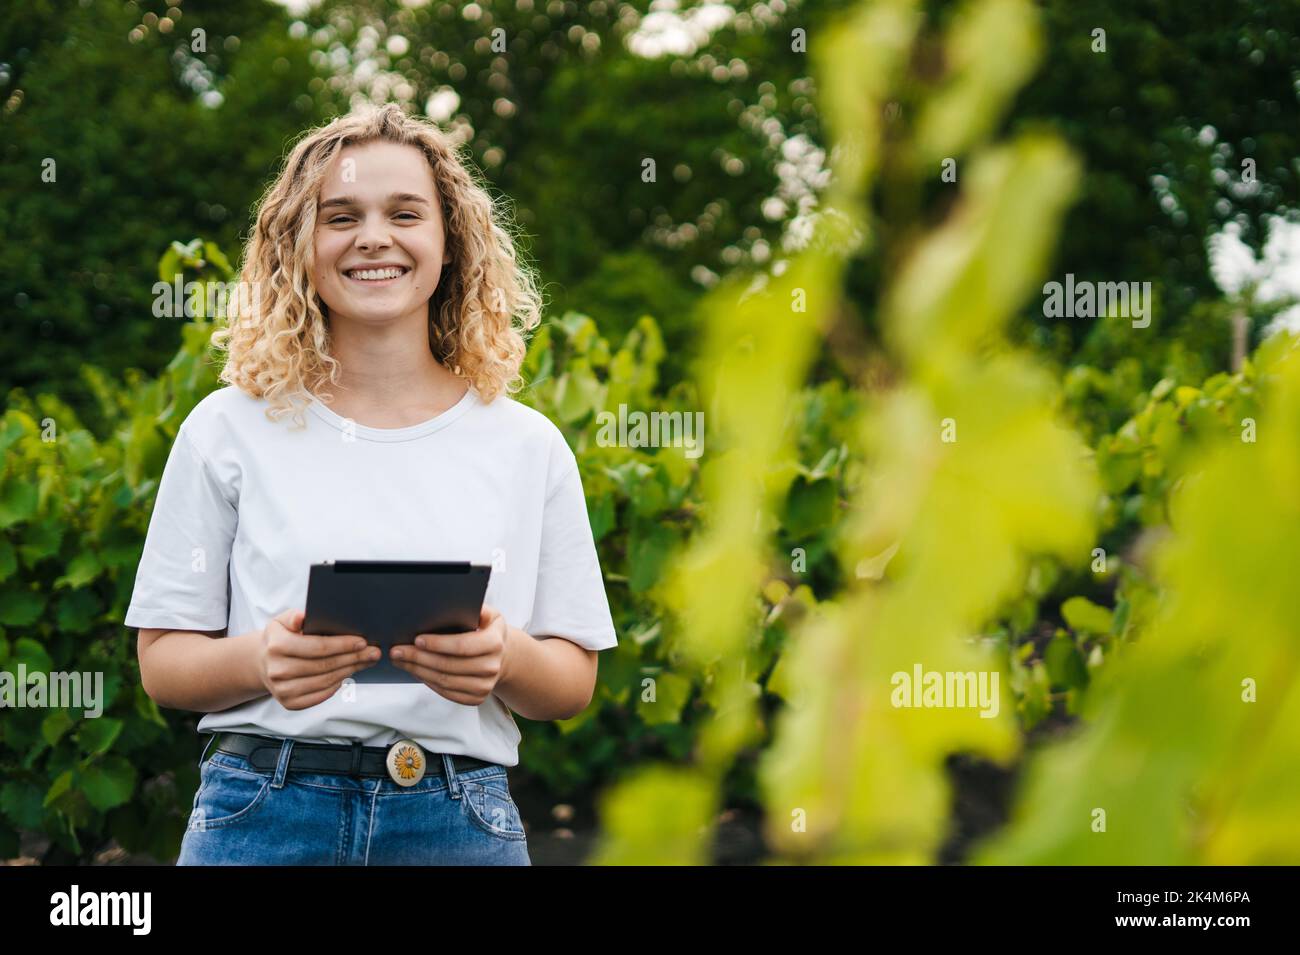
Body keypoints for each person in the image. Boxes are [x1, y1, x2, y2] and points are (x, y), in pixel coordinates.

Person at [124, 104, 617, 865]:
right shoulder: (226, 428)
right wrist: (260, 661)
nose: (374, 237)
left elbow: (572, 682)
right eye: (340, 216)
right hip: (261, 816)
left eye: (405, 213)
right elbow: (163, 663)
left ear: (449, 241)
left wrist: (507, 658)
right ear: (300, 247)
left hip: (460, 824)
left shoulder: (528, 445)